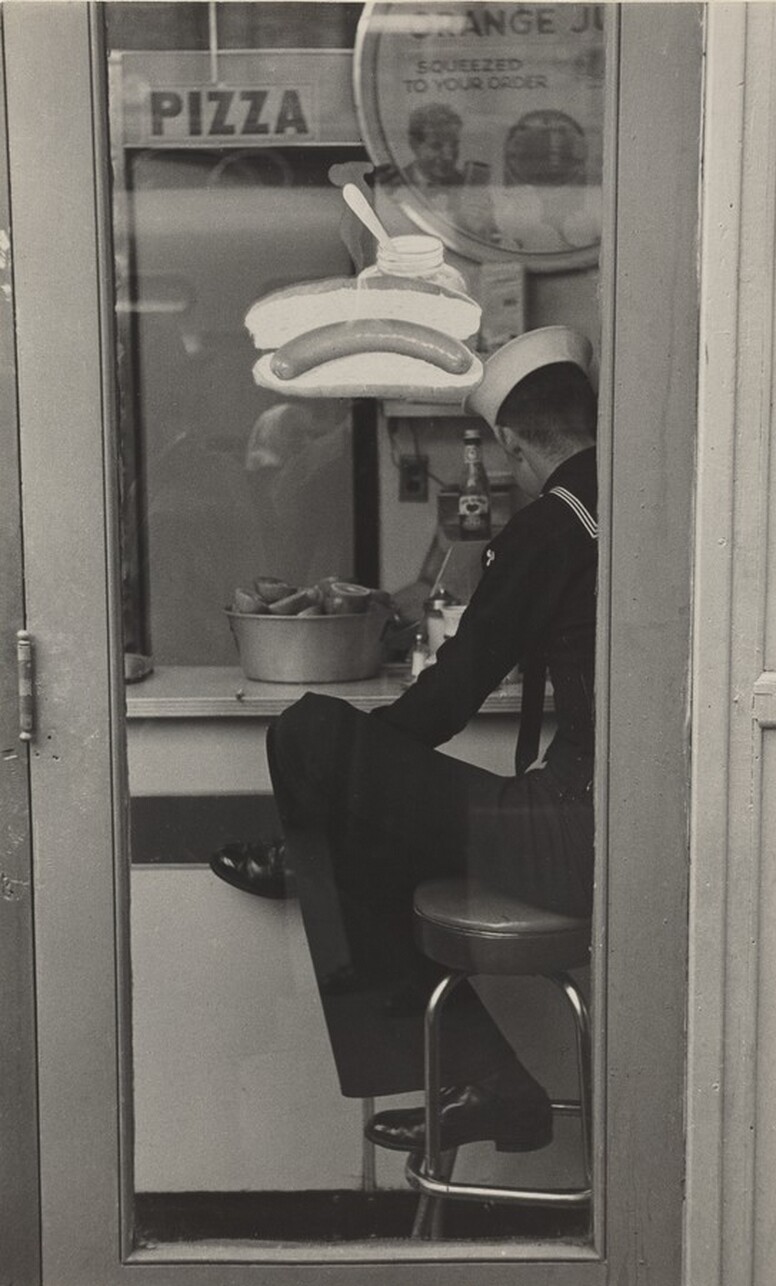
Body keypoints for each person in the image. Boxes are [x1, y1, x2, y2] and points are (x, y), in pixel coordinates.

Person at [218, 326, 598, 1154]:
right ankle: (489, 1083)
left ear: (509, 441)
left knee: (307, 737)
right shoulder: (635, 509)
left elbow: (446, 701)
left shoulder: (551, 523)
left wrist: (343, 782)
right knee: (350, 816)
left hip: (571, 837)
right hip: (615, 831)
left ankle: (309, 853)